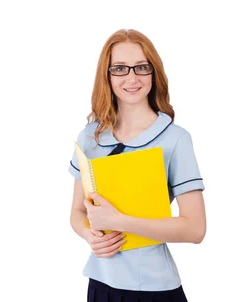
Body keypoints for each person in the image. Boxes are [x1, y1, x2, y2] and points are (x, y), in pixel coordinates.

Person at [68, 29, 206, 301]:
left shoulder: (175, 139)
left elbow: (195, 229)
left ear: (154, 73)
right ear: (106, 76)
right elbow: (76, 211)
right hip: (101, 283)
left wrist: (119, 221)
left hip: (154, 288)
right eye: (119, 68)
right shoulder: (89, 137)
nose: (132, 77)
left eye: (141, 67)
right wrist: (88, 234)